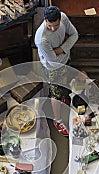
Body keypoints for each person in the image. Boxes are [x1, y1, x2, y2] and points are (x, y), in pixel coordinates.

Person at [35, 6, 78, 136]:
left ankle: (61, 100)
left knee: (63, 84)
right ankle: (57, 119)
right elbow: (52, 59)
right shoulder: (41, 39)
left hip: (64, 60)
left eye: (56, 25)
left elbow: (75, 35)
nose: (53, 29)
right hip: (52, 67)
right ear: (45, 20)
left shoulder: (63, 17)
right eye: (49, 26)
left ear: (60, 19)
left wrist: (60, 49)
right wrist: (66, 46)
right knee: (55, 94)